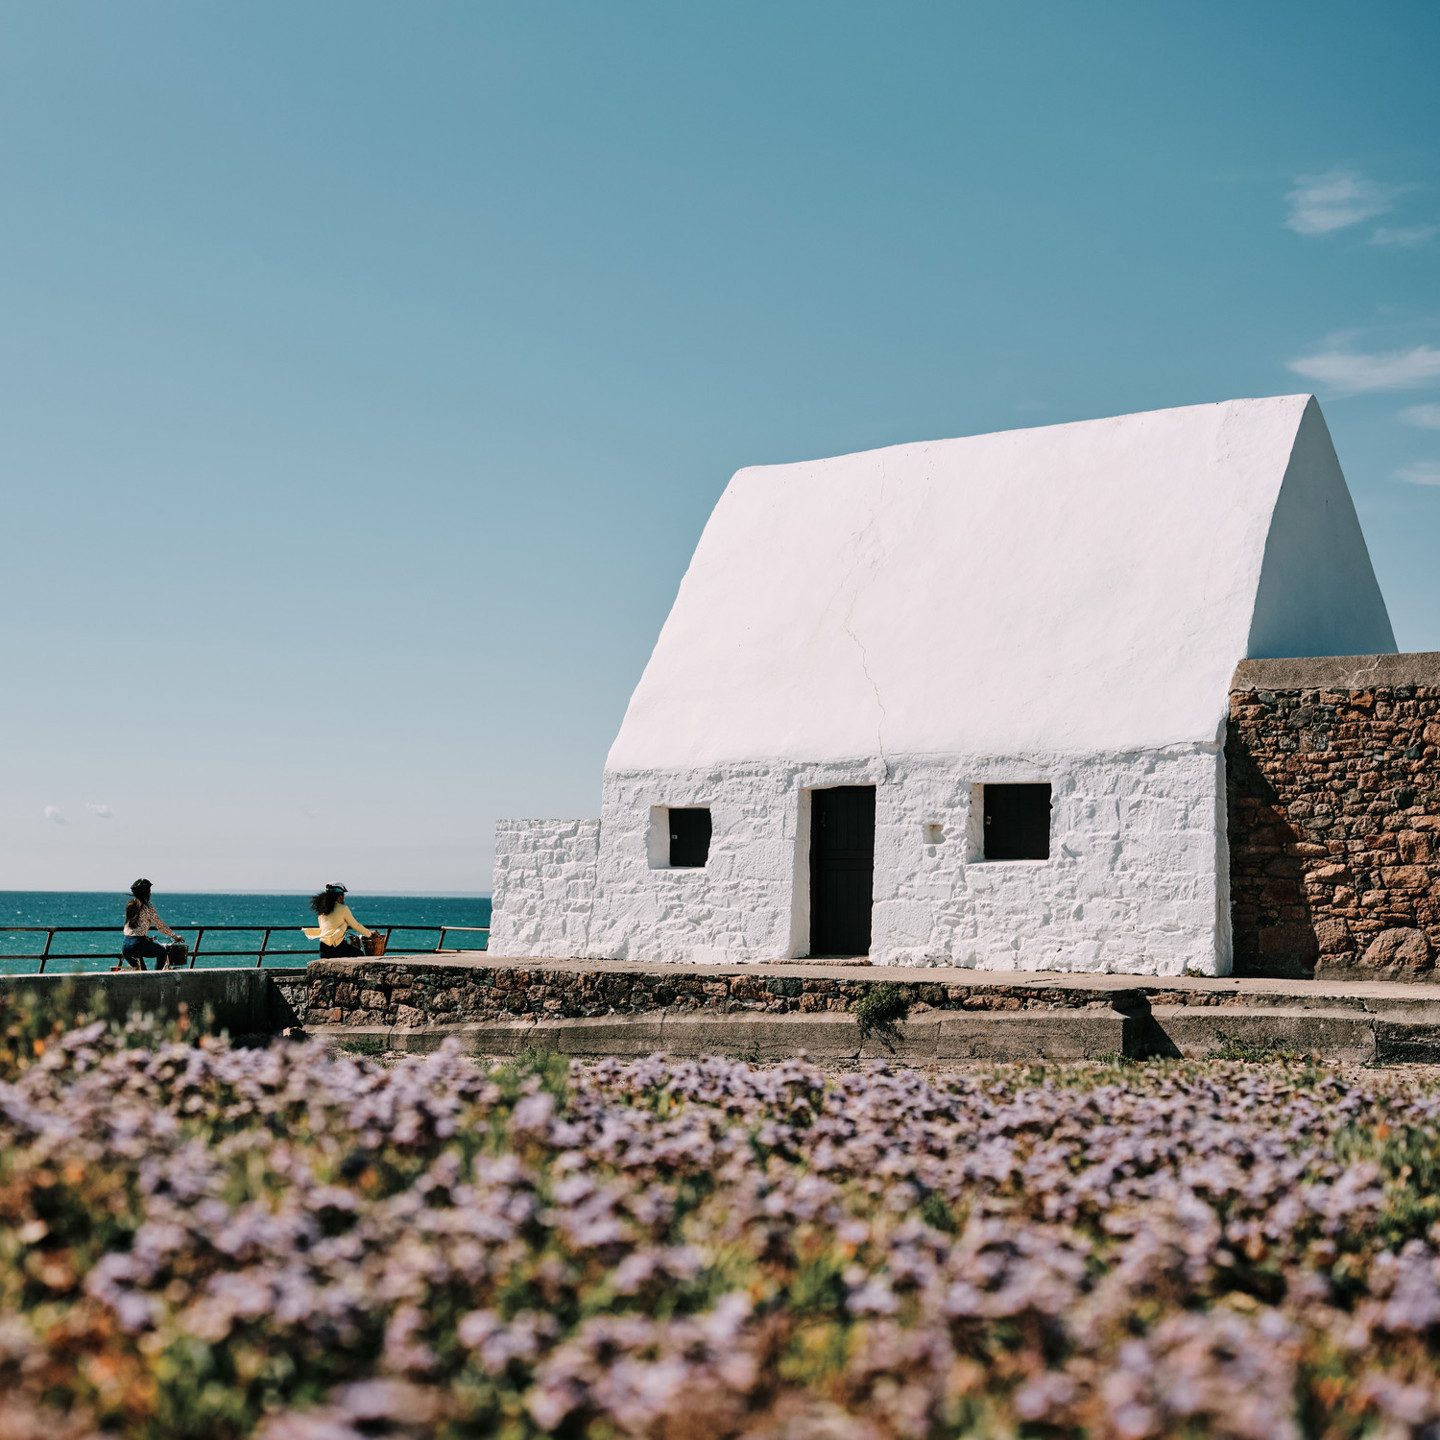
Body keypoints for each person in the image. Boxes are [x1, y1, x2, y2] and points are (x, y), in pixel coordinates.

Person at [120, 878, 182, 971]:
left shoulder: (130, 905)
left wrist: (144, 936)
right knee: (162, 953)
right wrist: (174, 936)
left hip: (126, 945)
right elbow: (160, 925)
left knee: (141, 973)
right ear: (146, 893)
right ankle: (155, 977)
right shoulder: (148, 907)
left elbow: (134, 926)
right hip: (138, 944)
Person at [304, 883, 373, 958]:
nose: (343, 897)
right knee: (359, 954)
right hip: (338, 947)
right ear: (338, 896)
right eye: (342, 895)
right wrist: (369, 934)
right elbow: (356, 925)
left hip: (323, 949)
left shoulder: (322, 910)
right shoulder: (343, 908)